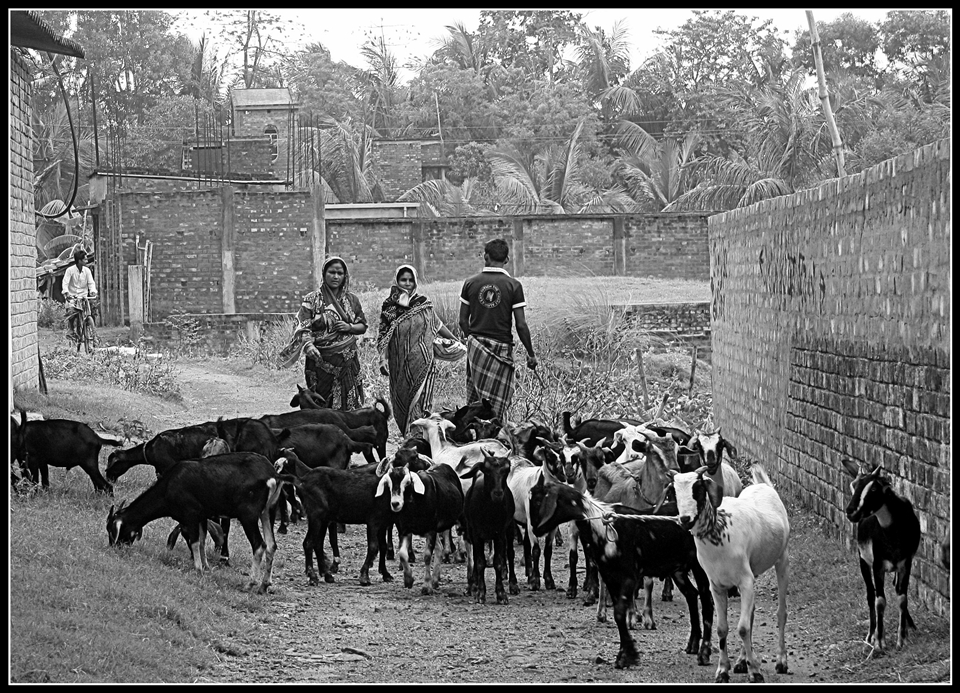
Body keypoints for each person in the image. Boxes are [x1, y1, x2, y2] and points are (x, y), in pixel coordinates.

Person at [376, 264, 461, 435]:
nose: (406, 283)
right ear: (397, 280)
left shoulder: (423, 303)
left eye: (410, 280)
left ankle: (421, 438)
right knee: (403, 399)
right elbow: (384, 336)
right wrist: (382, 359)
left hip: (425, 362)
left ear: (415, 282)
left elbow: (437, 325)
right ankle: (409, 434)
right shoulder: (389, 307)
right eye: (403, 280)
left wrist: (454, 339)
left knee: (423, 401)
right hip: (400, 363)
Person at [458, 238, 537, 422]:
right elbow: (521, 325)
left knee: (475, 399)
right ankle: (495, 436)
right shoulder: (513, 286)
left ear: (485, 257)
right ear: (507, 260)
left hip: (476, 349)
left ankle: (473, 437)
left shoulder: (470, 283)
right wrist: (531, 353)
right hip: (502, 349)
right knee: (498, 403)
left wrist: (474, 343)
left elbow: (462, 321)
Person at [282, 256, 368, 410]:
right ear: (324, 273)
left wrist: (349, 327)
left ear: (345, 276)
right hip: (319, 363)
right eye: (332, 272)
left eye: (340, 273)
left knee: (349, 410)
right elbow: (303, 327)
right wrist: (308, 346)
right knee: (320, 408)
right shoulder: (312, 299)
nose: (336, 276)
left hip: (348, 362)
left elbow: (362, 326)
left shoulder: (351, 300)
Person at [62, 248, 98, 344]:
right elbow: (65, 283)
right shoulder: (70, 270)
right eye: (85, 259)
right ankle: (71, 330)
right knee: (71, 312)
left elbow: (91, 283)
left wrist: (93, 291)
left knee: (91, 313)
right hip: (73, 297)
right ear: (79, 261)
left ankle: (94, 336)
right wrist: (66, 293)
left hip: (84, 297)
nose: (86, 261)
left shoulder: (87, 271)